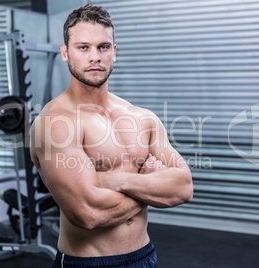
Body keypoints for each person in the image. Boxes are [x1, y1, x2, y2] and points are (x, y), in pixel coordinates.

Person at [30, 3, 193, 267]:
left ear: (114, 53)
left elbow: (183, 187)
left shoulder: (142, 117)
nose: (94, 56)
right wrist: (147, 182)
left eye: (103, 47)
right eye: (83, 47)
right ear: (65, 52)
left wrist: (116, 181)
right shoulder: (55, 122)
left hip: (145, 256)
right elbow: (88, 213)